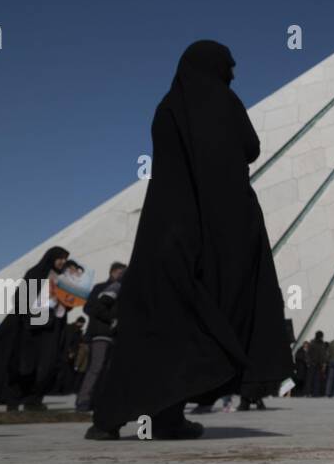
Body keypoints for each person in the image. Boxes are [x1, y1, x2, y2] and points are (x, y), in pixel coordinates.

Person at [86, 41, 292, 441]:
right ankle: (170, 413)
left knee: (158, 323)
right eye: (229, 68)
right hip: (222, 230)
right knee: (210, 318)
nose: (232, 75)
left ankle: (116, 418)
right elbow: (251, 148)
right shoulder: (227, 104)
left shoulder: (167, 107)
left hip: (166, 228)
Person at [0, 247, 73, 410]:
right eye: (61, 258)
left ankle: (33, 399)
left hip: (51, 327)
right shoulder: (36, 273)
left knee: (46, 365)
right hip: (32, 326)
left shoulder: (61, 279)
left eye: (65, 259)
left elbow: (66, 304)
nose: (63, 262)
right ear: (52, 258)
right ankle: (13, 398)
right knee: (24, 365)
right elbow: (21, 299)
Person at [76, 262, 126, 411]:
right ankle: (83, 400)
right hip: (101, 333)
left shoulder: (123, 289)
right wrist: (110, 318)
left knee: (108, 369)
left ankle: (99, 400)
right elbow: (89, 307)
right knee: (96, 367)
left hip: (114, 335)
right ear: (113, 272)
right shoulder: (100, 288)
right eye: (121, 273)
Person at [307, 330, 328, 396]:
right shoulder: (322, 344)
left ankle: (308, 392)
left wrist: (309, 361)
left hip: (312, 363)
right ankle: (315, 393)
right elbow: (323, 355)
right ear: (321, 336)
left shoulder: (312, 343)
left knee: (310, 379)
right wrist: (324, 363)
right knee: (317, 379)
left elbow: (308, 353)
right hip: (319, 364)